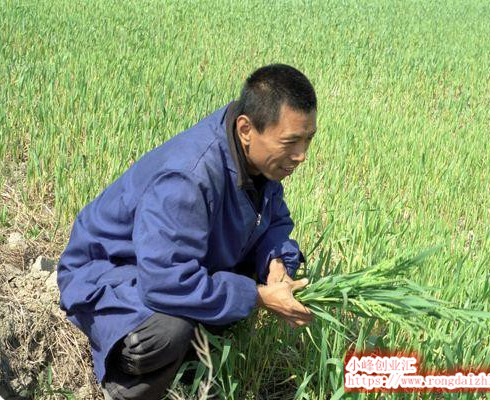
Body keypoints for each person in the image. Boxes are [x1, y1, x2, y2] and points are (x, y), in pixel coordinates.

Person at [57, 64, 317, 400]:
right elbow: (165, 283)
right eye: (291, 142)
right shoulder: (188, 178)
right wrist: (257, 295)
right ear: (246, 129)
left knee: (241, 284)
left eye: (308, 139)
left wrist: (276, 262)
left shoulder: (257, 159)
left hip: (161, 262)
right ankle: (125, 387)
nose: (302, 156)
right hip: (105, 275)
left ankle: (190, 363)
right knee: (170, 331)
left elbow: (274, 220)